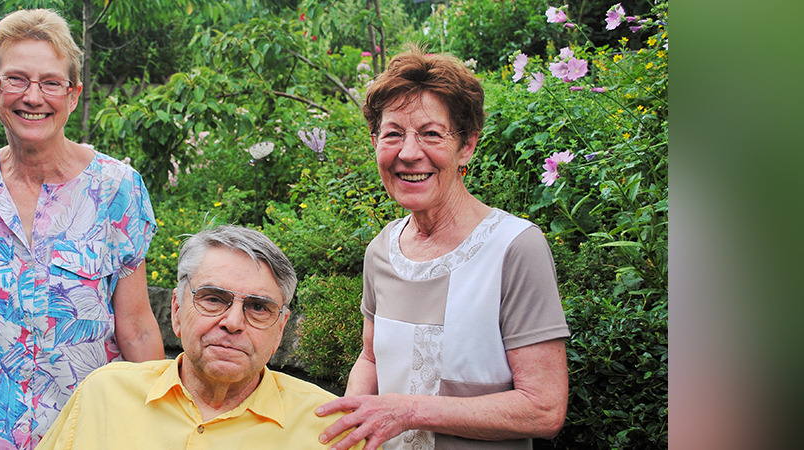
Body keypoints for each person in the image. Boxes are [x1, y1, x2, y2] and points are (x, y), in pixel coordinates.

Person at [0, 9, 165, 450]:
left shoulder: (117, 191)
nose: (33, 97)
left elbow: (137, 328)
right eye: (16, 79)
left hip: (91, 438)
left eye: (51, 83)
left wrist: (159, 434)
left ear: (73, 95)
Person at [315, 46, 570, 450]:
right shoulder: (381, 251)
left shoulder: (515, 248)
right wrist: (349, 429)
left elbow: (544, 409)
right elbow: (371, 359)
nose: (408, 152)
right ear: (375, 142)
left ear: (466, 146)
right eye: (393, 134)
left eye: (431, 134)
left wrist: (409, 411)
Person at [35, 225, 363, 450]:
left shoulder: (331, 428)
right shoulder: (103, 395)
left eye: (258, 307)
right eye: (214, 299)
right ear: (177, 310)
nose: (233, 322)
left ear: (280, 328)